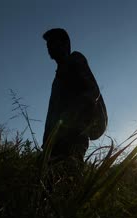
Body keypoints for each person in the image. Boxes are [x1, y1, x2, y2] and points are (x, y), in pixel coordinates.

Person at [42, 28, 102, 165]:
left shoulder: (75, 59)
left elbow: (92, 92)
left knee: (70, 175)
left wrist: (74, 120)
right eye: (47, 45)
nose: (49, 47)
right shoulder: (56, 80)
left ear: (65, 44)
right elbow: (52, 113)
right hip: (53, 141)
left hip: (73, 134)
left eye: (52, 42)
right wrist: (47, 141)